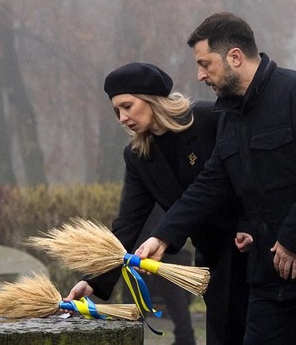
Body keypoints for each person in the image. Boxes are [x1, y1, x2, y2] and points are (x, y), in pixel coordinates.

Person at [137, 13, 296, 344]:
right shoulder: (229, 118)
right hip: (269, 282)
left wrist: (292, 241)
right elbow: (212, 183)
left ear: (234, 57)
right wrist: (163, 236)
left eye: (205, 64)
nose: (200, 75)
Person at [65, 62, 249, 344]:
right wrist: (92, 280)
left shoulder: (207, 118)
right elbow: (127, 224)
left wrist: (250, 223)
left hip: (253, 246)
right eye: (116, 111)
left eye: (127, 106)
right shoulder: (138, 155)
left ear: (151, 99)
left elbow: (250, 175)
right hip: (213, 260)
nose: (122, 118)